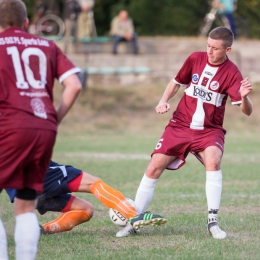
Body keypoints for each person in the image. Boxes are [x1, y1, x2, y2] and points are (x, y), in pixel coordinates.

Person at [117, 26, 253, 238]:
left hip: (209, 130)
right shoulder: (195, 59)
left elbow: (247, 112)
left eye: (215, 48)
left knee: (214, 161)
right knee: (154, 167)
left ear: (227, 50)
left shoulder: (232, 72)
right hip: (179, 126)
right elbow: (176, 83)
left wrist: (244, 97)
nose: (209, 51)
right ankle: (134, 221)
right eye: (208, 46)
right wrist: (163, 101)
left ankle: (213, 223)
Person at [0, 0, 82, 259]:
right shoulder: (47, 45)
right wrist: (53, 119)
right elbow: (74, 85)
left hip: (9, 127)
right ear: (26, 23)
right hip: (43, 128)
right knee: (25, 204)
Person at [5, 160, 167, 236]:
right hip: (35, 172)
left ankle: (42, 230)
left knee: (86, 210)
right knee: (93, 183)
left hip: (19, 191)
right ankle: (133, 215)